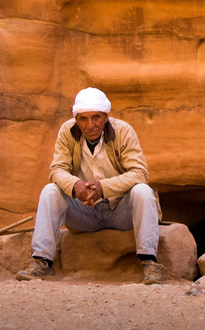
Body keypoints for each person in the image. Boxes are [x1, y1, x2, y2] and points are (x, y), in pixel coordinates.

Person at [16, 87, 163, 283]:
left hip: (120, 211)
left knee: (143, 191)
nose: (90, 125)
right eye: (83, 119)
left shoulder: (123, 131)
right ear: (76, 119)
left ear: (106, 117)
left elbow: (140, 173)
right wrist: (75, 184)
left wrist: (104, 187)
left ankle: (149, 263)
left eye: (96, 117)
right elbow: (56, 170)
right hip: (85, 213)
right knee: (50, 191)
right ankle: (42, 261)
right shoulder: (67, 132)